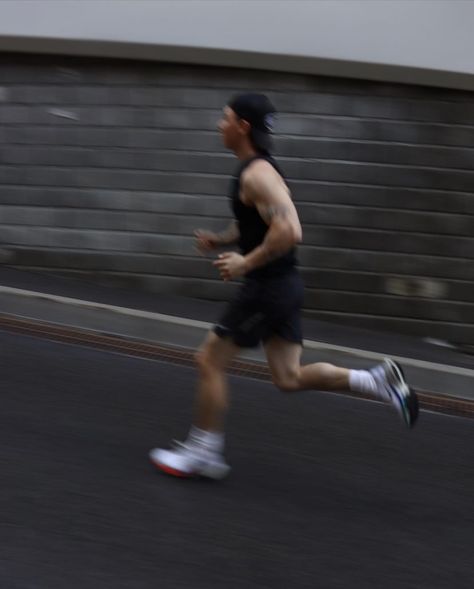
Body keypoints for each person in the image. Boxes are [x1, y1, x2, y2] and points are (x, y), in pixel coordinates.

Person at [149, 93, 419, 479]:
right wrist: (223, 241)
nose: (218, 125)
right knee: (288, 377)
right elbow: (256, 224)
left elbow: (290, 229)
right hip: (284, 286)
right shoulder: (258, 171)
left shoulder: (257, 175)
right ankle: (376, 380)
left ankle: (203, 451)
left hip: (268, 288)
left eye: (224, 118)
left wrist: (247, 261)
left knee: (209, 360)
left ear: (242, 126)